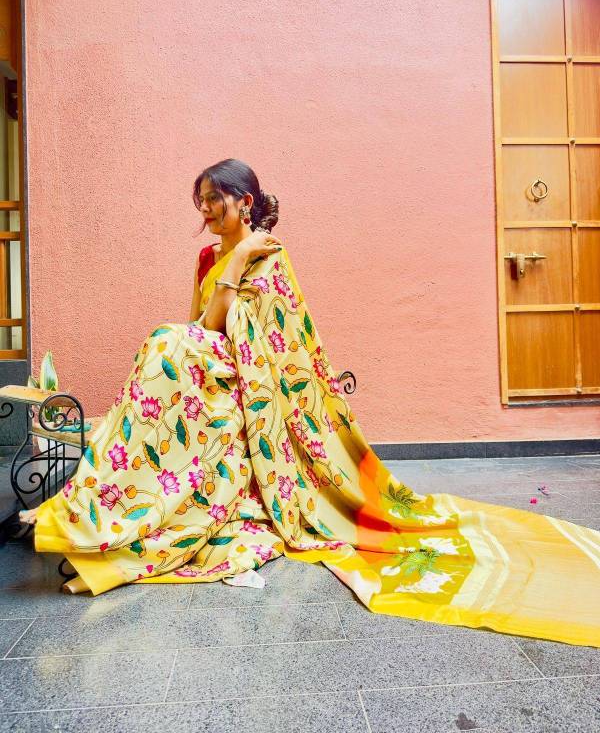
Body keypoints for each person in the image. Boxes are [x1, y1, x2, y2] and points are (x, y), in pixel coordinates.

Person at [21, 158, 600, 647]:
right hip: (215, 369)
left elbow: (274, 338)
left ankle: (110, 518)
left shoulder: (270, 256)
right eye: (201, 202)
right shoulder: (208, 259)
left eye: (214, 201)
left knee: (164, 342)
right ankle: (108, 512)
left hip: (255, 381)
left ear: (244, 202)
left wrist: (239, 262)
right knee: (166, 345)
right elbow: (201, 327)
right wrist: (225, 273)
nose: (205, 212)